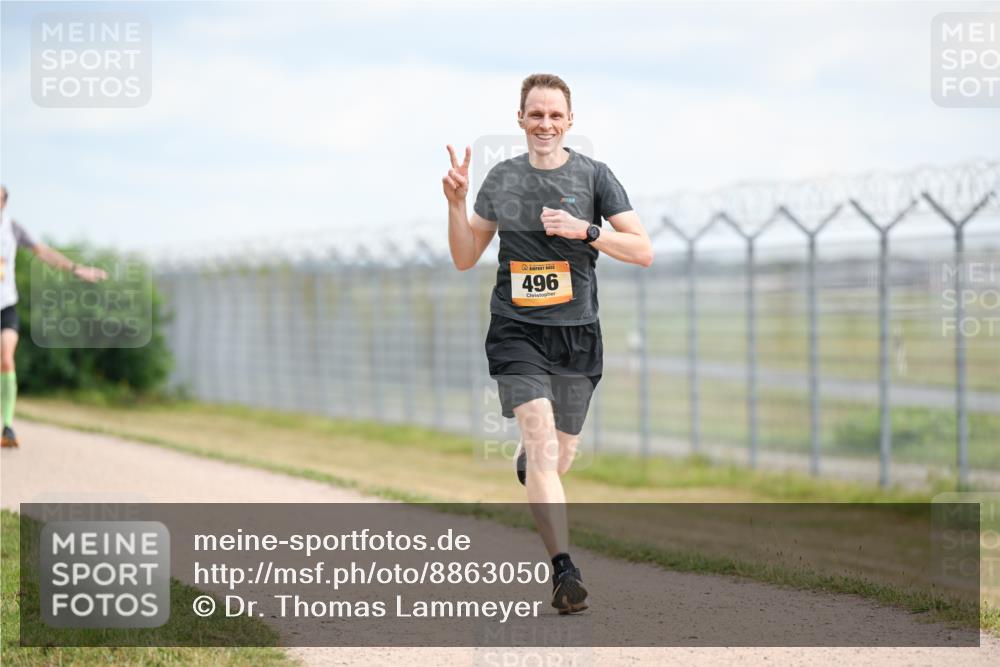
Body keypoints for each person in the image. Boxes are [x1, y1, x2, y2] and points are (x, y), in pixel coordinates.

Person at [442, 74, 653, 614]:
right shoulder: (503, 179)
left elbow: (642, 250)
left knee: (559, 457)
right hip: (517, 330)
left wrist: (584, 231)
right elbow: (466, 257)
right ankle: (564, 569)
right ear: (520, 120)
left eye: (555, 115)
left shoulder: (594, 176)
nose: (545, 124)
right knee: (540, 445)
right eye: (536, 115)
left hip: (578, 335)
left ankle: (534, 470)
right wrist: (456, 204)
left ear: (570, 121)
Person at [1, 185, 108, 448]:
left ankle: (7, 427)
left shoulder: (13, 229)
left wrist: (76, 268)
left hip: (6, 306)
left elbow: (44, 252)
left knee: (5, 356)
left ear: (4, 202)